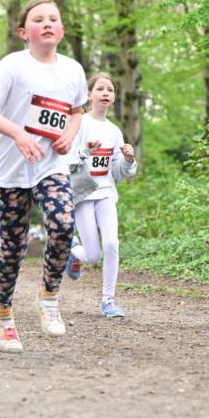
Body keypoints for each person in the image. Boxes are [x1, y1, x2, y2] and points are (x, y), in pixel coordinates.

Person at [0, 0, 87, 352]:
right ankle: (3, 315)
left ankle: (49, 298)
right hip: (9, 172)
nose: (47, 23)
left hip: (50, 166)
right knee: (13, 248)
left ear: (62, 30)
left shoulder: (73, 70)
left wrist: (70, 134)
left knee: (63, 225)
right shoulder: (12, 66)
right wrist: (18, 134)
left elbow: (76, 111)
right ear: (24, 32)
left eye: (54, 18)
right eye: (39, 19)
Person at [65, 72, 137, 317]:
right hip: (83, 194)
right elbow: (65, 161)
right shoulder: (78, 123)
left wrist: (128, 160)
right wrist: (85, 151)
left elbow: (117, 172)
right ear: (89, 94)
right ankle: (74, 250)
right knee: (93, 255)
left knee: (111, 243)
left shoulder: (114, 131)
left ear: (114, 98)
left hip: (106, 193)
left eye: (110, 90)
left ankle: (108, 301)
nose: (105, 93)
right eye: (100, 89)